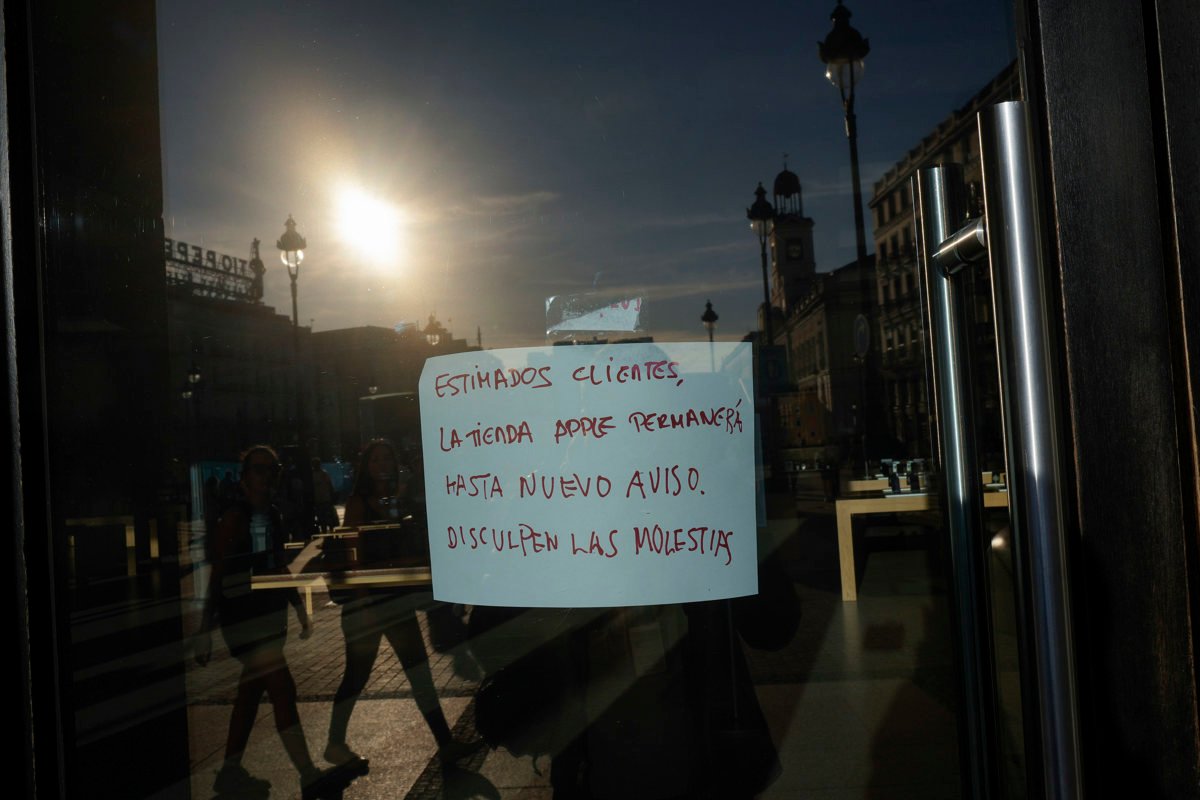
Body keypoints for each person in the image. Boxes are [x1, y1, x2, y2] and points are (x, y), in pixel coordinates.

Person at [324, 438, 480, 768]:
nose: (382, 465)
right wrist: (363, 605)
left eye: (387, 459)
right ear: (366, 467)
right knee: (356, 677)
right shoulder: (358, 503)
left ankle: (446, 744)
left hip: (395, 602)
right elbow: (353, 557)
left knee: (418, 673)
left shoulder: (397, 502)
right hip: (368, 604)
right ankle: (334, 743)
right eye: (376, 460)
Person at [195, 445, 326, 797]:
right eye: (259, 469)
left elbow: (278, 567)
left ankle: (229, 771)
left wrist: (297, 606)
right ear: (244, 477)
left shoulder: (273, 516)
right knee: (282, 688)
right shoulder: (235, 518)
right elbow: (218, 574)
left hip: (268, 617)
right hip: (244, 620)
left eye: (272, 469)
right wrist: (204, 629)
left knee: (250, 692)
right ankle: (308, 774)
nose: (266, 476)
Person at [311, 457, 339, 532]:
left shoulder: (322, 474)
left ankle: (328, 532)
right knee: (325, 518)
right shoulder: (322, 474)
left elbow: (329, 485)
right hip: (322, 500)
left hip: (323, 499)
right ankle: (328, 532)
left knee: (325, 518)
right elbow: (330, 485)